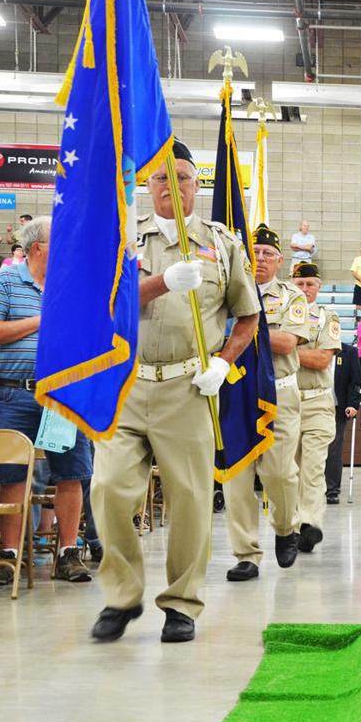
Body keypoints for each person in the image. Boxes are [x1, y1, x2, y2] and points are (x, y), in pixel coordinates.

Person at [89, 142, 260, 643]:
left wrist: (222, 364)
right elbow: (105, 303)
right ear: (148, 185)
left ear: (196, 185)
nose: (172, 185)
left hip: (189, 388)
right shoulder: (124, 241)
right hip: (128, 382)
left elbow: (248, 315)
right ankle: (122, 596)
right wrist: (160, 282)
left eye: (182, 177)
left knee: (189, 499)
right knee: (108, 489)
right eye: (161, 178)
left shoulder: (222, 244)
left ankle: (182, 603)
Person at [0, 215, 94, 586]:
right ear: (38, 248)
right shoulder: (6, 280)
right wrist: (41, 320)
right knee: (11, 474)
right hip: (15, 391)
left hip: (64, 392)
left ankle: (69, 552)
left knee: (71, 473)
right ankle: (8, 554)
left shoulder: (74, 284)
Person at [224, 225, 310, 583]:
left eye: (267, 254)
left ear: (279, 261)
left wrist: (241, 330)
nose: (260, 259)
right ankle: (246, 553)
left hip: (279, 391)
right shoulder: (226, 293)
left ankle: (286, 527)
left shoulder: (292, 296)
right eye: (254, 252)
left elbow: (288, 342)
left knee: (278, 471)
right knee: (236, 475)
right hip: (234, 389)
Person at [290, 262, 340, 554]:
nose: (305, 289)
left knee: (312, 467)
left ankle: (309, 523)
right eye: (300, 283)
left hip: (318, 401)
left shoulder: (326, 318)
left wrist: (287, 349)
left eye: (310, 284)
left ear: (319, 286)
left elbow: (323, 360)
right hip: (287, 400)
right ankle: (293, 525)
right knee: (288, 470)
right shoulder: (282, 317)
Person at [324, 340, 361, 505]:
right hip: (314, 405)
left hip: (337, 407)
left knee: (334, 448)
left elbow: (355, 381)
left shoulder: (349, 352)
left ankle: (332, 489)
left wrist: (353, 405)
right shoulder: (314, 349)